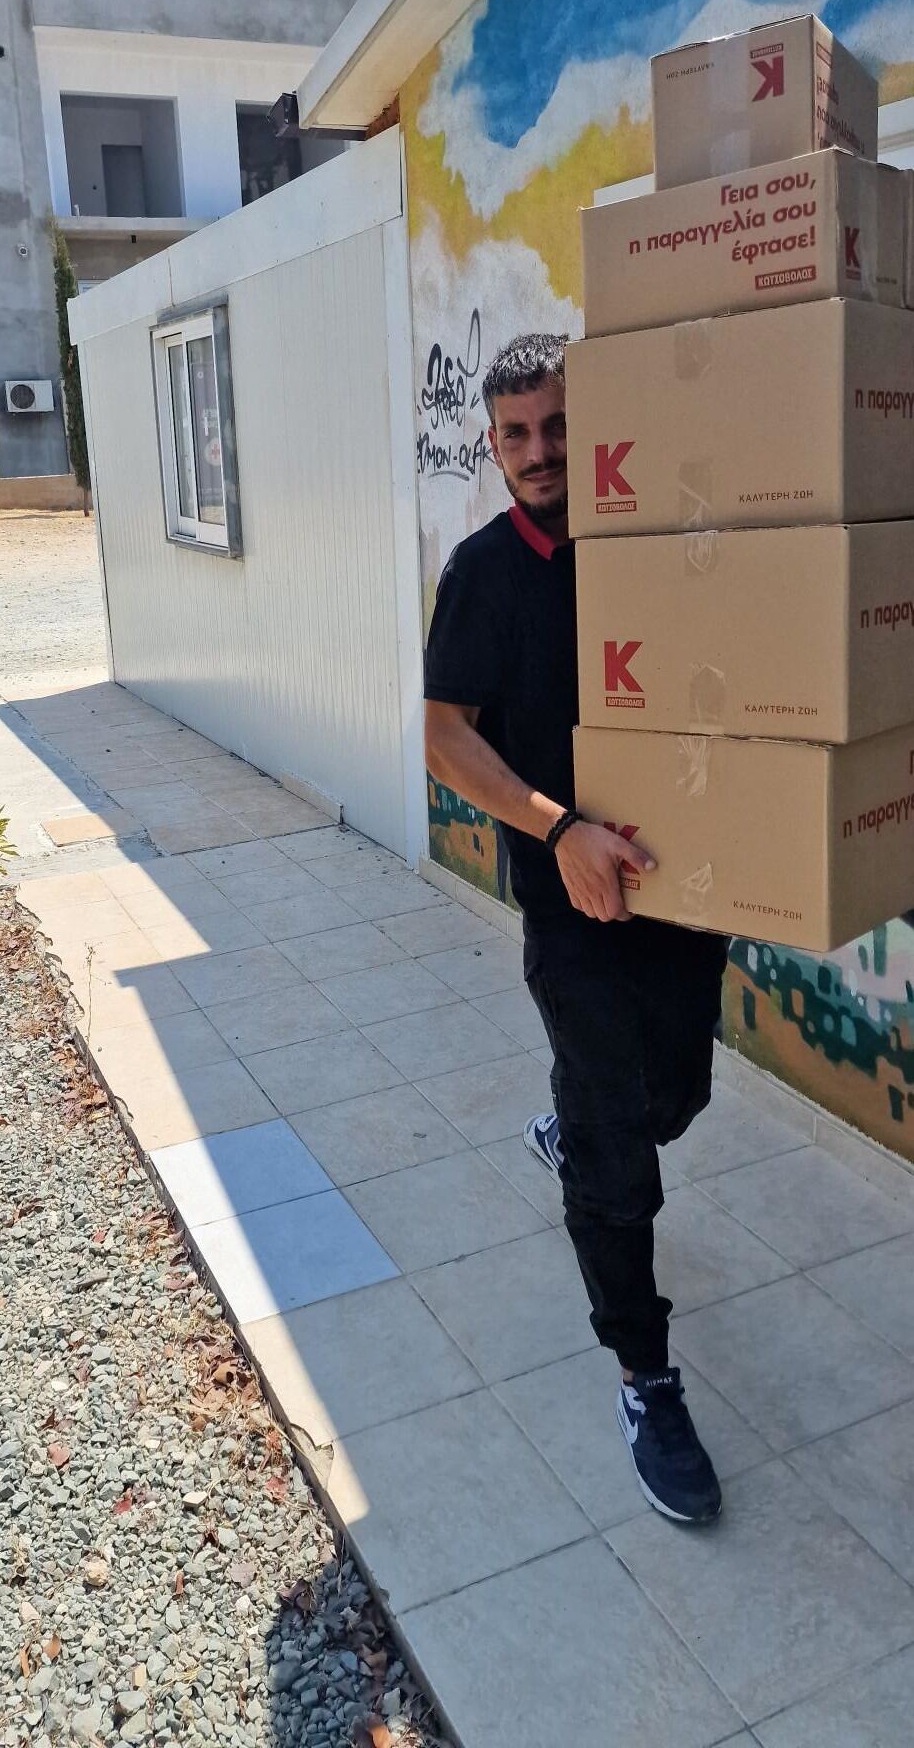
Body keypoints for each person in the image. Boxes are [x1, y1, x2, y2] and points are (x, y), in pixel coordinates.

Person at [423, 330, 728, 1525]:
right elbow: (446, 736)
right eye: (515, 434)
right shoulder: (481, 573)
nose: (538, 451)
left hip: (676, 891)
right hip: (572, 905)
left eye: (555, 425)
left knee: (675, 1097)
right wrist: (556, 829)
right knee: (618, 1160)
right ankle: (646, 1376)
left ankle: (573, 1124)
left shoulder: (656, 550)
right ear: (492, 446)